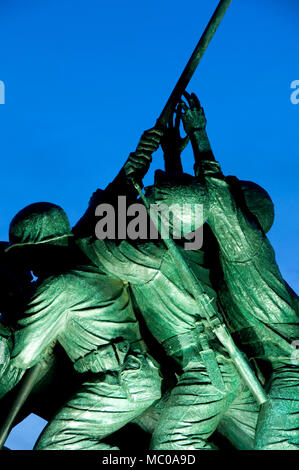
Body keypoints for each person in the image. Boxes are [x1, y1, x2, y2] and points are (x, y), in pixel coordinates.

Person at [3, 127, 163, 450]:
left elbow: (23, 354)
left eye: (26, 256)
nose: (29, 268)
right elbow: (106, 204)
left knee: (56, 447)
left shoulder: (56, 287)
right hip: (127, 373)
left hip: (122, 379)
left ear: (38, 250)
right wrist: (140, 157)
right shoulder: (85, 255)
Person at [176, 92, 299, 450]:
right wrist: (173, 155)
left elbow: (215, 198)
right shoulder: (225, 262)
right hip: (273, 370)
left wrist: (199, 136)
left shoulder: (247, 252)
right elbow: (197, 221)